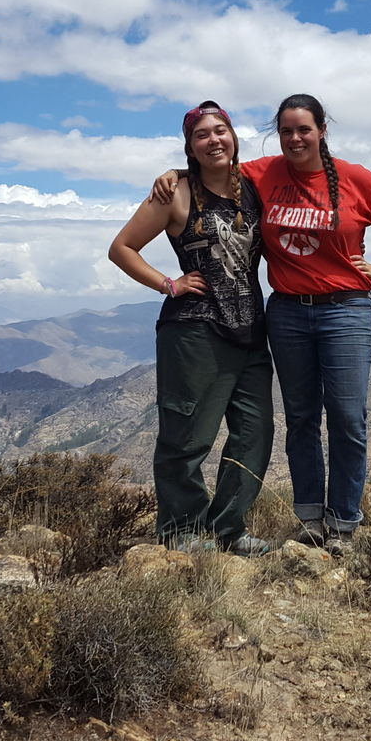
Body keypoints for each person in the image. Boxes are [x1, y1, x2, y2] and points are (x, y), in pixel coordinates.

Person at [155, 94, 371, 552]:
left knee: (347, 419)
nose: (295, 138)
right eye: (286, 131)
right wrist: (175, 173)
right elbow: (214, 166)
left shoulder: (355, 178)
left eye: (304, 129)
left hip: (346, 310)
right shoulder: (264, 172)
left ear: (321, 131)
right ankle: (311, 518)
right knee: (299, 419)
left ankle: (344, 523)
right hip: (288, 311)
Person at [109, 101, 273, 555]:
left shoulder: (253, 186)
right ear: (190, 146)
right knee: (187, 434)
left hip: (251, 329)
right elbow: (122, 247)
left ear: (234, 137)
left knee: (256, 433)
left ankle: (228, 530)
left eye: (221, 130)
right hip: (194, 330)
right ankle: (180, 532)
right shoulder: (175, 193)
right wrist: (169, 283)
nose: (214, 140)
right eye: (202, 134)